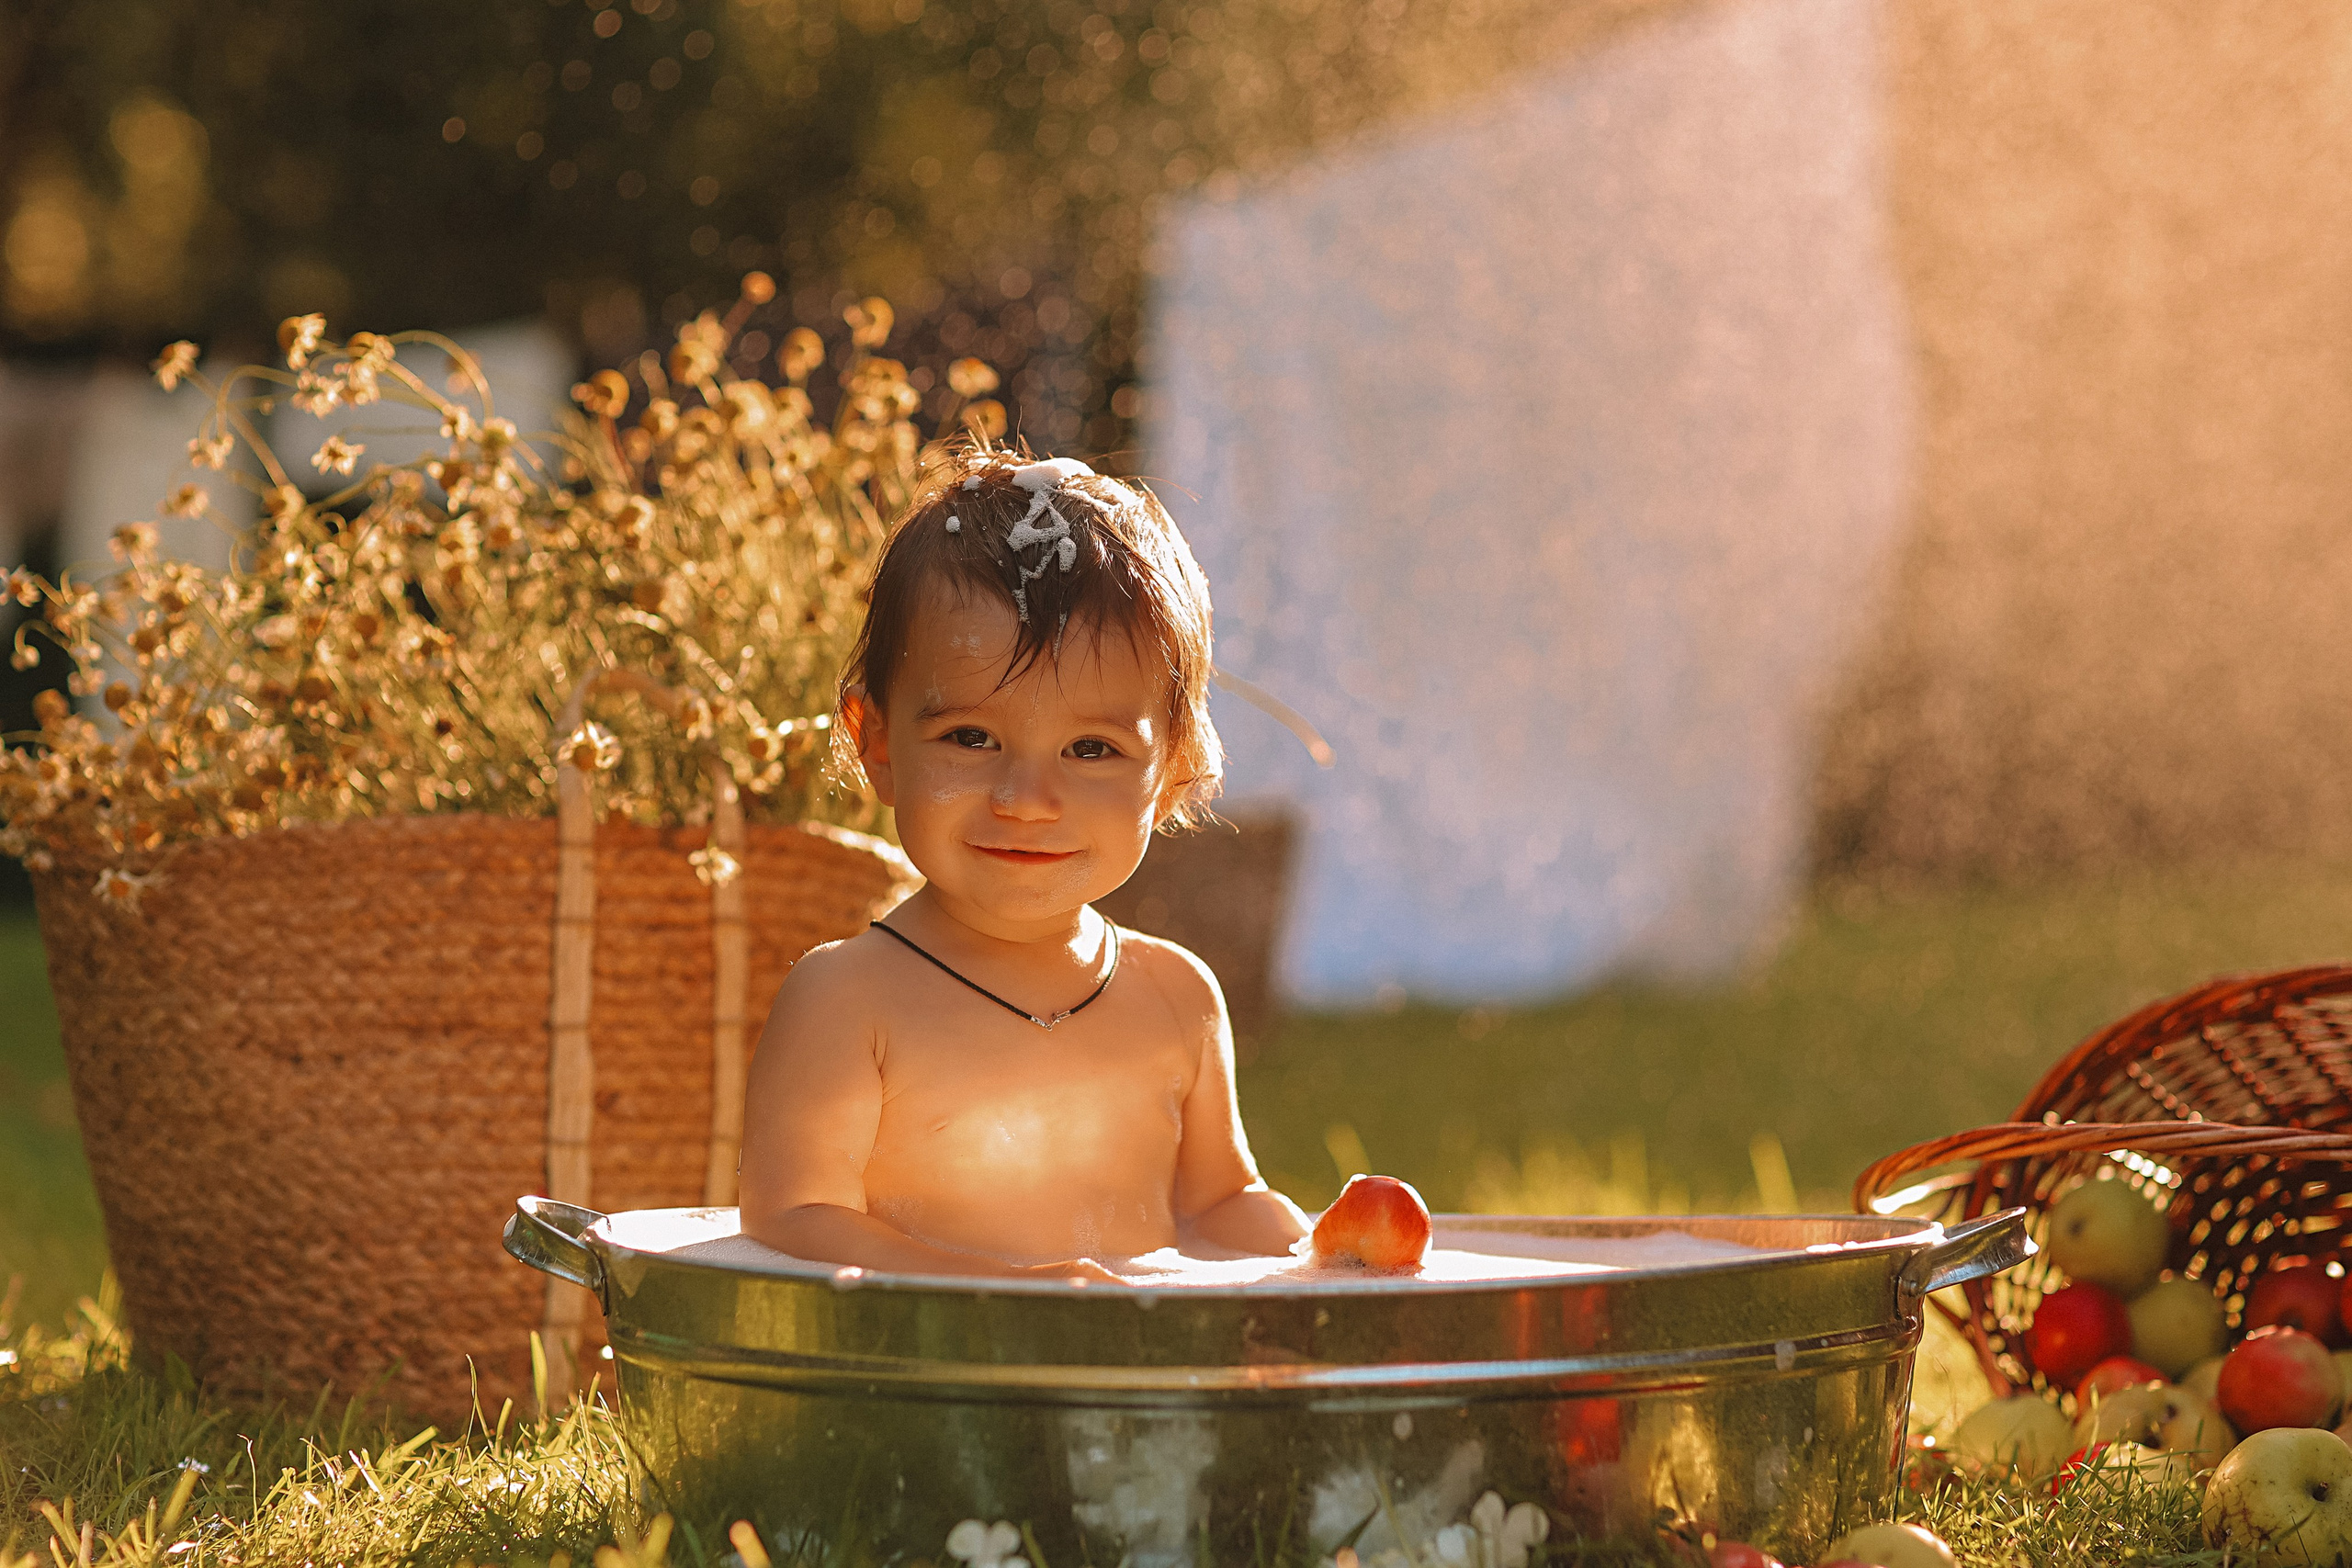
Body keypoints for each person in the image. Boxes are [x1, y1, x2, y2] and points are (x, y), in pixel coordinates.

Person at [736, 442, 1310, 1282]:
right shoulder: (848, 999)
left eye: (1091, 748)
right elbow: (793, 1217)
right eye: (971, 737)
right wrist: (1000, 1294)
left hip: (1136, 1359)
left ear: (1173, 772)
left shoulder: (1175, 997)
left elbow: (1220, 1203)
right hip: (926, 1358)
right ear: (877, 744)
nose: (1026, 798)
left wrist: (1318, 1253)